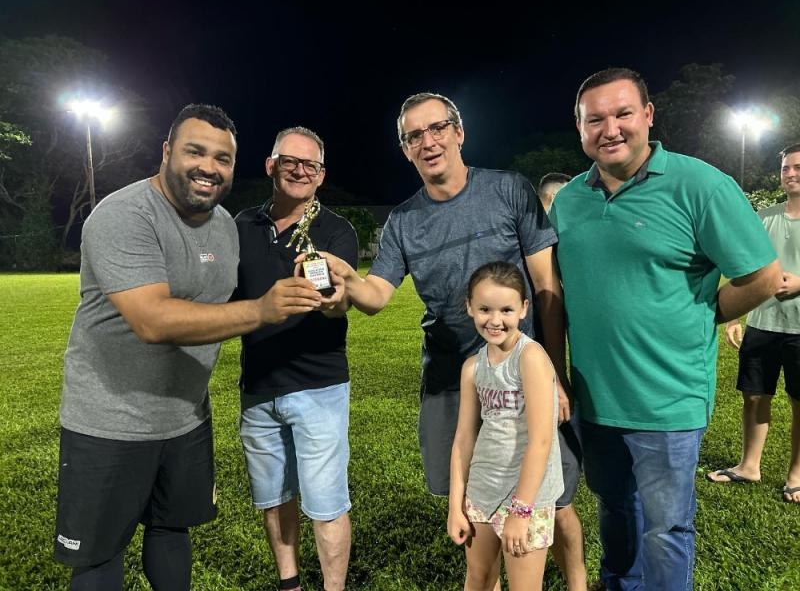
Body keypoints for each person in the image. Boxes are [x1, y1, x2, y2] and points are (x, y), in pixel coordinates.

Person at [54, 104, 328, 591]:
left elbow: (235, 296)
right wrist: (262, 310)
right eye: (195, 152)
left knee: (171, 531)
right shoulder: (124, 215)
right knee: (99, 558)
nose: (208, 167)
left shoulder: (223, 225)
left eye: (223, 158)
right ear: (167, 152)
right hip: (110, 423)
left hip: (186, 418)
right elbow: (153, 320)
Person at [322, 91, 587, 589]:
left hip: (522, 375)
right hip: (451, 374)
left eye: (437, 128)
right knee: (469, 498)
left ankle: (577, 582)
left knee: (556, 496)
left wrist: (554, 374)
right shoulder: (403, 220)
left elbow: (546, 287)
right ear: (405, 149)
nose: (428, 141)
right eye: (413, 136)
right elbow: (377, 295)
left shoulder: (508, 190)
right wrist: (348, 281)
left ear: (459, 132)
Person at [548, 67, 782, 590]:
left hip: (668, 399)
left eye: (623, 114)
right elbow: (555, 292)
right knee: (614, 506)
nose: (610, 129)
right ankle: (620, 583)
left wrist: (705, 311)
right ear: (580, 128)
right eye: (595, 119)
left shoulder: (701, 185)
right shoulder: (570, 200)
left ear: (648, 115)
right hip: (594, 397)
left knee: (666, 527)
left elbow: (763, 276)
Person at [233, 126, 358, 591]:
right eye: (291, 161)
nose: (301, 171)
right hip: (258, 384)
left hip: (319, 385)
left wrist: (334, 301)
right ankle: (290, 584)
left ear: (321, 175)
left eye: (311, 165)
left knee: (326, 503)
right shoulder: (241, 225)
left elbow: (341, 300)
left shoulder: (336, 230)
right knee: (273, 497)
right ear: (271, 166)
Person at [448, 261, 563, 591]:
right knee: (479, 579)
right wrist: (456, 505)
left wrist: (521, 510)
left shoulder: (530, 357)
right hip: (482, 492)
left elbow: (541, 440)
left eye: (506, 310)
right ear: (469, 306)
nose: (495, 320)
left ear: (523, 309)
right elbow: (463, 439)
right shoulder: (472, 368)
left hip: (527, 498)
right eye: (485, 309)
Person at [706, 143, 800, 505]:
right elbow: (745, 267)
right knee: (754, 395)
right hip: (763, 322)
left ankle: (796, 475)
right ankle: (749, 466)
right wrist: (736, 315)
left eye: (798, 167)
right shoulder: (764, 217)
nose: (790, 174)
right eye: (786, 168)